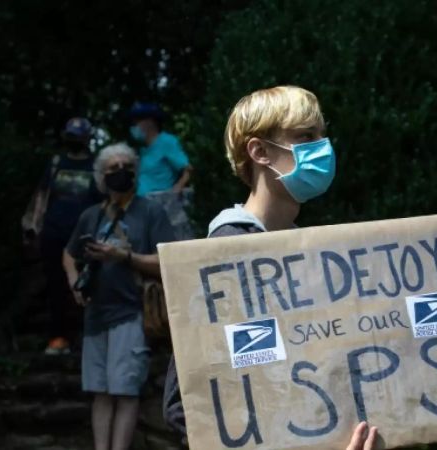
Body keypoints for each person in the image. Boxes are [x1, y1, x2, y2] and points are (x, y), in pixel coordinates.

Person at [161, 86, 380, 448]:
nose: (323, 148)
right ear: (259, 151)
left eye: (323, 135)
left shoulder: (311, 256)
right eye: (306, 137)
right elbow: (183, 404)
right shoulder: (223, 254)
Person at [62, 143, 175, 450]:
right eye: (112, 169)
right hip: (96, 315)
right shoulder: (91, 215)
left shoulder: (150, 211)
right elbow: (69, 254)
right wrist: (74, 283)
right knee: (100, 391)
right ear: (101, 177)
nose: (120, 172)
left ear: (136, 173)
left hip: (132, 312)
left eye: (126, 166)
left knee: (125, 390)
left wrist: (123, 256)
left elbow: (167, 260)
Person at [27, 117, 103, 355]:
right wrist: (33, 223)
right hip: (54, 232)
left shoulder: (95, 166)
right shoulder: (57, 163)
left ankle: (84, 337)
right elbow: (42, 195)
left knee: (85, 285)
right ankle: (59, 336)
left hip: (84, 235)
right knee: (56, 285)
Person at [128, 102, 194, 240]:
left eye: (137, 122)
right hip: (143, 205)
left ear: (150, 122)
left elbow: (187, 169)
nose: (134, 126)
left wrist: (177, 189)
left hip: (164, 205)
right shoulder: (142, 150)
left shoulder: (166, 141)